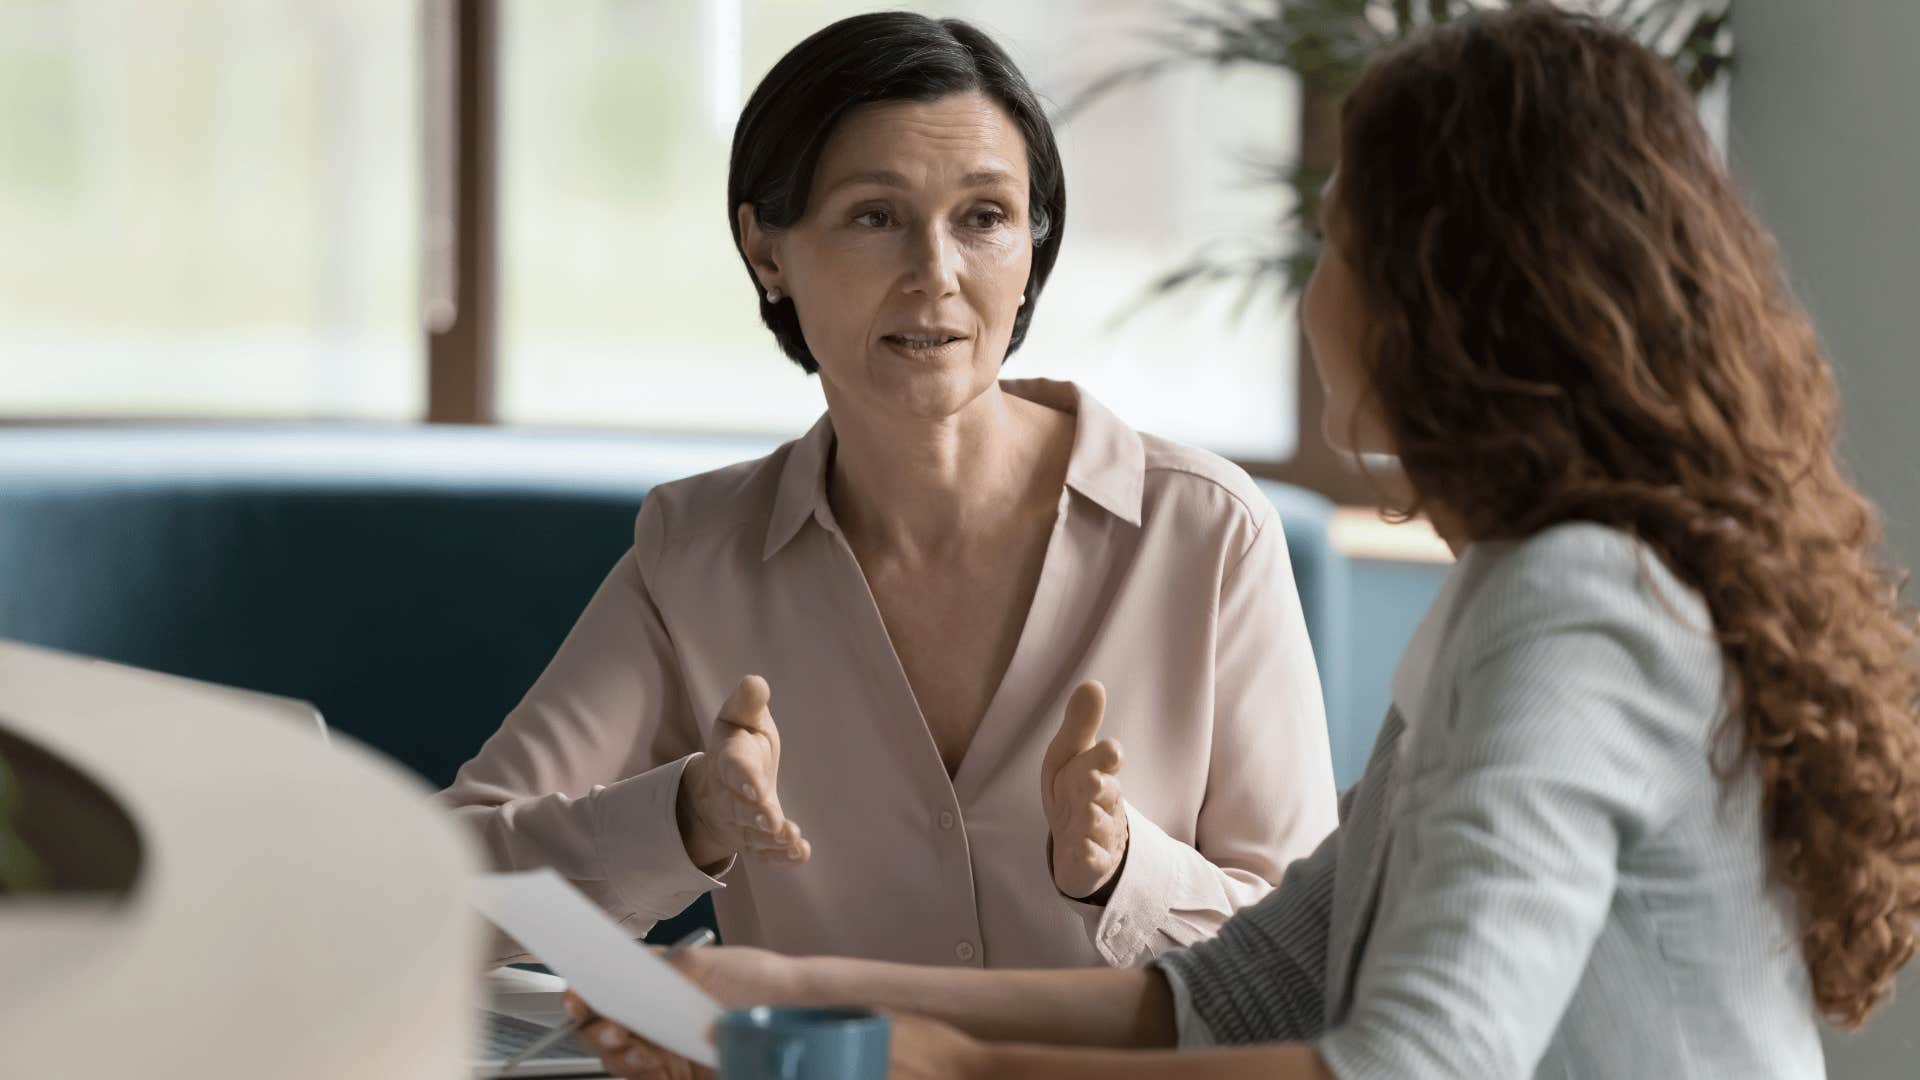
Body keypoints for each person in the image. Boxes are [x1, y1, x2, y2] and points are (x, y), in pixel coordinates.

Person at [572, 8, 1920, 1078]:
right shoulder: (1520, 583)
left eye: (1339, 242)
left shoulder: (1571, 604)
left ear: (1448, 298)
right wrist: (794, 992)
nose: (1312, 290)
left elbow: (1414, 1064)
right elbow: (1260, 985)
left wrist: (945, 1066)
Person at [439, 12, 1337, 973]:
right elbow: (448, 893)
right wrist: (689, 818)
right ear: (768, 250)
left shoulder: (1207, 534)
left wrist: (1125, 872)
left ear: (1032, 248)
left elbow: (1310, 966)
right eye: (876, 216)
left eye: (984, 218)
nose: (937, 275)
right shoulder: (695, 554)